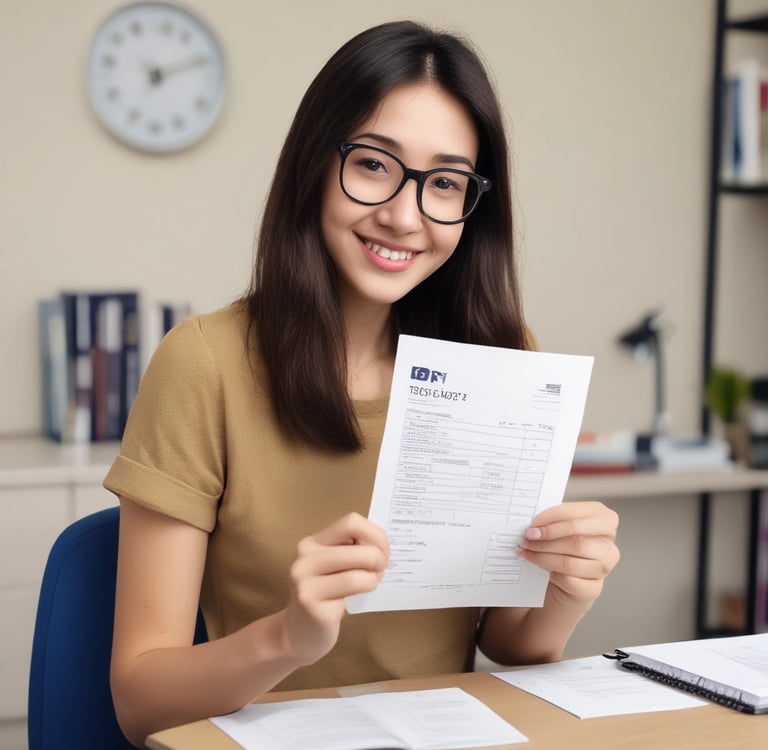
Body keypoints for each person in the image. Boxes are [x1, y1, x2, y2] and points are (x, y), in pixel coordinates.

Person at [104, 19, 620, 747]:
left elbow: (511, 647)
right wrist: (289, 636)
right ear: (316, 163)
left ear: (475, 206)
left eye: (444, 183)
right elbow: (139, 700)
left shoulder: (503, 361)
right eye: (374, 165)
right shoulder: (204, 365)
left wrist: (566, 593)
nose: (405, 216)